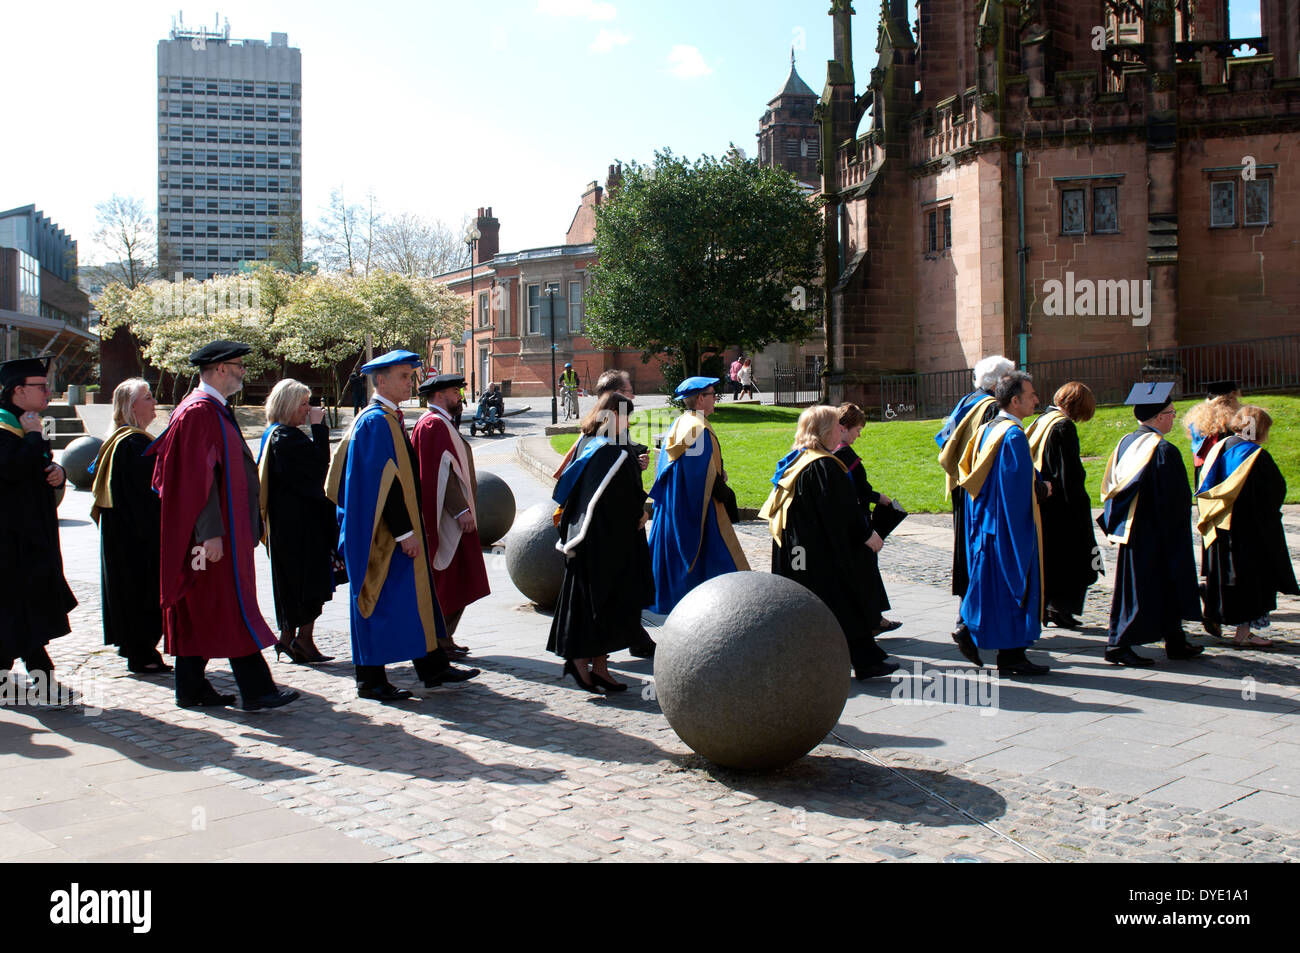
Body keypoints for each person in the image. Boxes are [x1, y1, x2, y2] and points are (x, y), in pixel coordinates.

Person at [147, 341, 299, 711]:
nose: (243, 372)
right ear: (218, 370)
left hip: (227, 532)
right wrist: (210, 533)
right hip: (216, 537)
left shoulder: (211, 410)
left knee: (207, 607)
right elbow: (195, 479)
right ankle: (257, 689)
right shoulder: (199, 412)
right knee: (230, 605)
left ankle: (191, 687)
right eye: (238, 366)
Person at [326, 350, 478, 701]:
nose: (411, 383)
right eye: (404, 377)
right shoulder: (375, 422)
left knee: (414, 599)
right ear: (380, 380)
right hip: (383, 536)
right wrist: (405, 533)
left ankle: (432, 666)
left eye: (410, 376)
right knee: (378, 602)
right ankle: (370, 679)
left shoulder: (389, 418)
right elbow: (385, 484)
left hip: (395, 532)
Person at [760, 405, 897, 678]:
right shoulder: (824, 466)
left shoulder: (797, 459)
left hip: (796, 550)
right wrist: (867, 535)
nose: (840, 430)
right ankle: (863, 660)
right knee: (841, 601)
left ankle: (859, 658)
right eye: (836, 426)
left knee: (814, 602)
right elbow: (841, 510)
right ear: (825, 430)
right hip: (819, 554)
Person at [550, 390, 655, 691]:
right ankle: (582, 663)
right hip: (605, 543)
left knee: (603, 604)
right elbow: (617, 496)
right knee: (602, 603)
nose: (629, 422)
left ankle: (599, 666)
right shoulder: (610, 452)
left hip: (597, 539)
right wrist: (641, 512)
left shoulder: (598, 445)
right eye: (626, 416)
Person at [1097, 382, 1204, 667]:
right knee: (1141, 589)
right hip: (1155, 533)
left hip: (1133, 528)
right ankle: (1118, 644)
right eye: (1171, 412)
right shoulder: (1162, 450)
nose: (1173, 416)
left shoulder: (1128, 441)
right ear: (1159, 417)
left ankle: (1175, 639)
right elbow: (1176, 497)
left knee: (1163, 586)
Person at [954, 371, 1051, 676]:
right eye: (1031, 394)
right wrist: (1043, 490)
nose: (1036, 399)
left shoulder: (986, 430)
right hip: (1006, 526)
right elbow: (1016, 490)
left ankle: (1006, 652)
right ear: (1015, 400)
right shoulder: (1012, 436)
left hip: (986, 524)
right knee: (1014, 583)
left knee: (992, 586)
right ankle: (982, 636)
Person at [0, 356, 76, 696]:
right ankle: (45, 682)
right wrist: (32, 439)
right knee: (19, 613)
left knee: (21, 614)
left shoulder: (34, 422)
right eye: (41, 387)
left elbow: (41, 466)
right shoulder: (5, 428)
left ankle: (37, 680)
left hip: (32, 539)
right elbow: (11, 471)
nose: (49, 392)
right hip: (9, 542)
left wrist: (57, 473)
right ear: (18, 390)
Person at [1196, 405, 1298, 649]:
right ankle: (1244, 634)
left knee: (1225, 577)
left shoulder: (1219, 447)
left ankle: (1213, 608)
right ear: (1260, 429)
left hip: (1219, 525)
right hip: (1248, 532)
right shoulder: (1255, 456)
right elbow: (1274, 493)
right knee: (1254, 581)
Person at [646, 377, 749, 614]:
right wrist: (725, 493)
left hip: (674, 504)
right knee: (710, 559)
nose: (716, 399)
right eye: (713, 394)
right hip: (694, 508)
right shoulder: (697, 430)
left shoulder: (683, 422)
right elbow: (699, 477)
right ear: (701, 398)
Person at [91, 378, 169, 674]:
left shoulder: (124, 439)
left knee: (130, 591)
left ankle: (136, 647)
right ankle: (141, 652)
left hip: (123, 534)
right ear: (131, 406)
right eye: (148, 397)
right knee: (140, 591)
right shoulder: (133, 444)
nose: (154, 402)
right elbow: (146, 498)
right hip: (136, 537)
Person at [937, 355, 1013, 652]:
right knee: (980, 554)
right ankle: (969, 622)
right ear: (998, 382)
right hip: (978, 490)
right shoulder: (992, 407)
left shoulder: (967, 400)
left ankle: (968, 619)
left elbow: (944, 438)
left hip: (961, 485)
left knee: (968, 554)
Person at [258, 379, 336, 665]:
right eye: (303, 404)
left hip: (286, 524)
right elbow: (318, 470)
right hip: (299, 527)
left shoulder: (273, 434)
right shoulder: (287, 438)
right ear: (288, 405)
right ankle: (302, 641)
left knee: (291, 583)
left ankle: (287, 638)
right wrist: (319, 427)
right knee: (307, 584)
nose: (308, 409)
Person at [412, 373, 490, 658]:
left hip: (455, 519)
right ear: (440, 394)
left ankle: (444, 637)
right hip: (449, 521)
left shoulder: (439, 423)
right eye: (455, 392)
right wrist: (461, 510)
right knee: (451, 580)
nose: (460, 396)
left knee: (461, 579)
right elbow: (438, 472)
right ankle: (438, 640)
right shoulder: (433, 424)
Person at [1024, 382, 1100, 629]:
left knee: (1051, 560)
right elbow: (1070, 474)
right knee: (1075, 558)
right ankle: (1062, 608)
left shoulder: (1043, 420)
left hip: (1044, 503)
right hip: (1063, 506)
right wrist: (1080, 506)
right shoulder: (1063, 426)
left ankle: (1049, 606)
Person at [834, 402, 901, 637]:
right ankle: (872, 619)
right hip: (857, 523)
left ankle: (874, 617)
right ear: (843, 427)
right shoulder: (843, 454)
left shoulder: (833, 451)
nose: (859, 435)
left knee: (865, 571)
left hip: (849, 523)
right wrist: (880, 498)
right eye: (857, 430)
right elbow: (858, 490)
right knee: (865, 571)